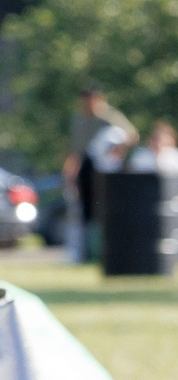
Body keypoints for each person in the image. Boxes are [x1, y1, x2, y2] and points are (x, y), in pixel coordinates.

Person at [65, 86, 134, 263]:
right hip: (87, 169)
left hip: (108, 169)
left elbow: (131, 136)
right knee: (86, 210)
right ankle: (88, 253)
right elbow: (76, 151)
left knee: (108, 209)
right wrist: (70, 172)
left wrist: (114, 151)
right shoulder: (79, 120)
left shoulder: (109, 117)